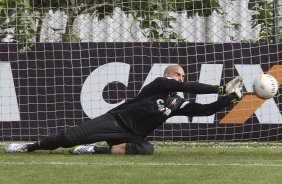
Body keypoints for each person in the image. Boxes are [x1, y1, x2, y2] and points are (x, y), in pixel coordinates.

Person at [5, 64, 243, 155]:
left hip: (132, 135)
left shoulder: (176, 103)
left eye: (183, 75)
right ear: (168, 75)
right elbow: (191, 87)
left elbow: (204, 110)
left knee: (146, 149)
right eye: (178, 74)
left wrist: (231, 98)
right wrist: (221, 88)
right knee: (68, 137)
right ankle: (30, 146)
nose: (181, 78)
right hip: (115, 121)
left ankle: (92, 151)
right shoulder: (159, 84)